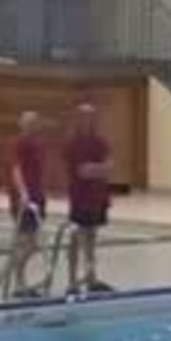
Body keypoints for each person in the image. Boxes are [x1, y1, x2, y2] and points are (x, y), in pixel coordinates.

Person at [64, 104, 113, 295]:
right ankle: (72, 280)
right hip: (79, 196)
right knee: (76, 238)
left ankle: (91, 277)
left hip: (97, 195)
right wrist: (99, 169)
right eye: (85, 117)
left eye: (92, 117)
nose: (89, 121)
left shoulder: (99, 141)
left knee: (92, 238)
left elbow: (109, 165)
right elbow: (82, 171)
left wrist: (97, 169)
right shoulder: (72, 143)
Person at [3, 111, 47, 298]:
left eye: (35, 123)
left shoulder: (37, 143)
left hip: (37, 197)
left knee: (32, 243)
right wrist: (23, 192)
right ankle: (18, 282)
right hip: (24, 199)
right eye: (30, 123)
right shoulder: (17, 143)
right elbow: (16, 168)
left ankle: (7, 275)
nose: (34, 126)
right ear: (22, 125)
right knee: (27, 242)